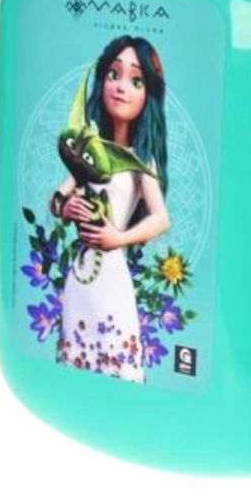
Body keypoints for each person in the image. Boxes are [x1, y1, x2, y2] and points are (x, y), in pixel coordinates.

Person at [51, 36, 170, 382]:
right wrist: (66, 207)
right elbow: (57, 198)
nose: (121, 87)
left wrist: (118, 238)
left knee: (117, 359)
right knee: (76, 356)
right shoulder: (91, 149)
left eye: (136, 81)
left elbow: (161, 218)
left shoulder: (140, 160)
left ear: (148, 96)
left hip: (111, 274)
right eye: (114, 75)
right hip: (81, 272)